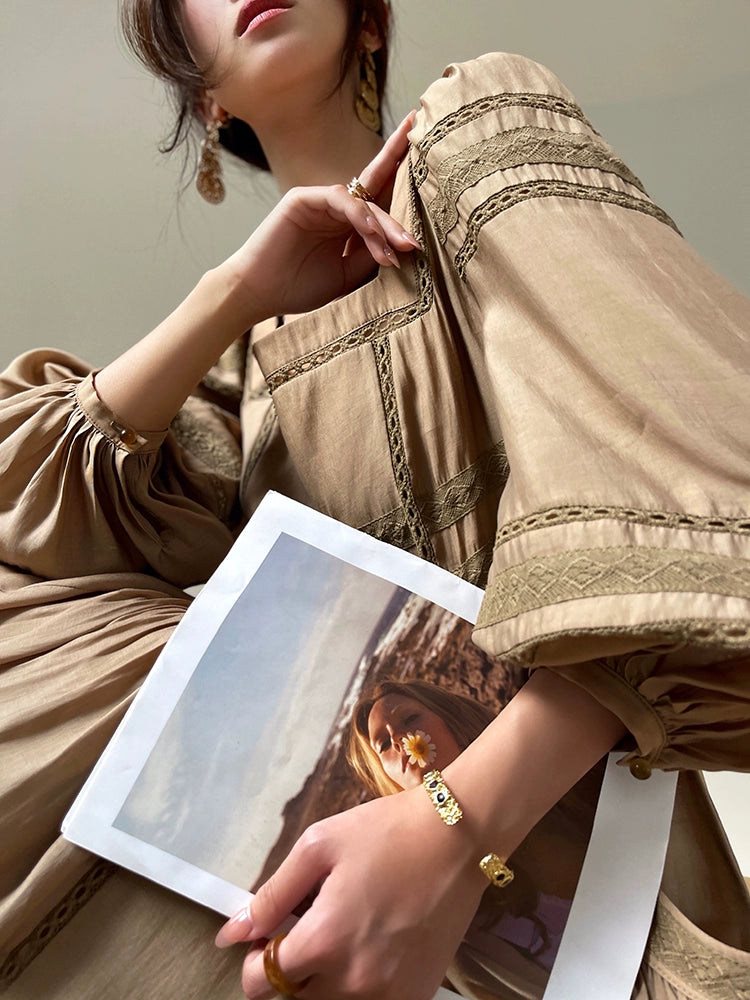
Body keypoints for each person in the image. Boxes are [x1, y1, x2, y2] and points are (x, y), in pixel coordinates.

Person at [0, 0, 748, 997]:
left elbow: (687, 489)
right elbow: (35, 526)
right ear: (204, 96)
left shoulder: (480, 124)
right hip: (340, 934)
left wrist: (454, 828)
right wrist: (234, 292)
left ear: (368, 23)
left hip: (588, 924)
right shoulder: (241, 378)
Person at [348, 678, 604, 999]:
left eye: (410, 719)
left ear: (449, 715)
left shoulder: (556, 774)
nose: (401, 741)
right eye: (384, 744)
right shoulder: (444, 916)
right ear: (385, 774)